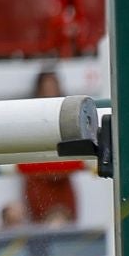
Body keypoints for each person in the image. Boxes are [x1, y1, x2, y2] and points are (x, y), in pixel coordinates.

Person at [20, 69, 82, 223]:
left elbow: (77, 151)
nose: (50, 90)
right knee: (42, 231)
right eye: (46, 86)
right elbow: (26, 152)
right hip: (38, 180)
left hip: (62, 179)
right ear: (39, 89)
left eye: (53, 86)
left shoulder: (69, 115)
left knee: (67, 230)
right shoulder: (29, 116)